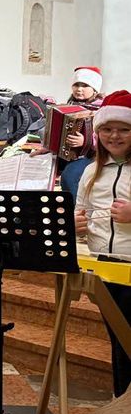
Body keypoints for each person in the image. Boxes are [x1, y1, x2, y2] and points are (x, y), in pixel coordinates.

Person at [75, 90, 131, 397]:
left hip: (130, 266)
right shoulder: (90, 172)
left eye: (123, 129)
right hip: (103, 268)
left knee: (127, 341)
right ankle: (121, 401)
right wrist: (76, 226)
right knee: (118, 340)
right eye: (108, 129)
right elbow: (78, 212)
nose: (114, 135)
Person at [60, 65, 103, 196]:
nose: (79, 89)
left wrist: (86, 141)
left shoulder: (102, 109)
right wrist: (49, 145)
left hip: (93, 155)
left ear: (95, 89)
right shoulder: (68, 106)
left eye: (85, 85)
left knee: (70, 176)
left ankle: (77, 212)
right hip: (65, 154)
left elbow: (109, 137)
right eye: (76, 85)